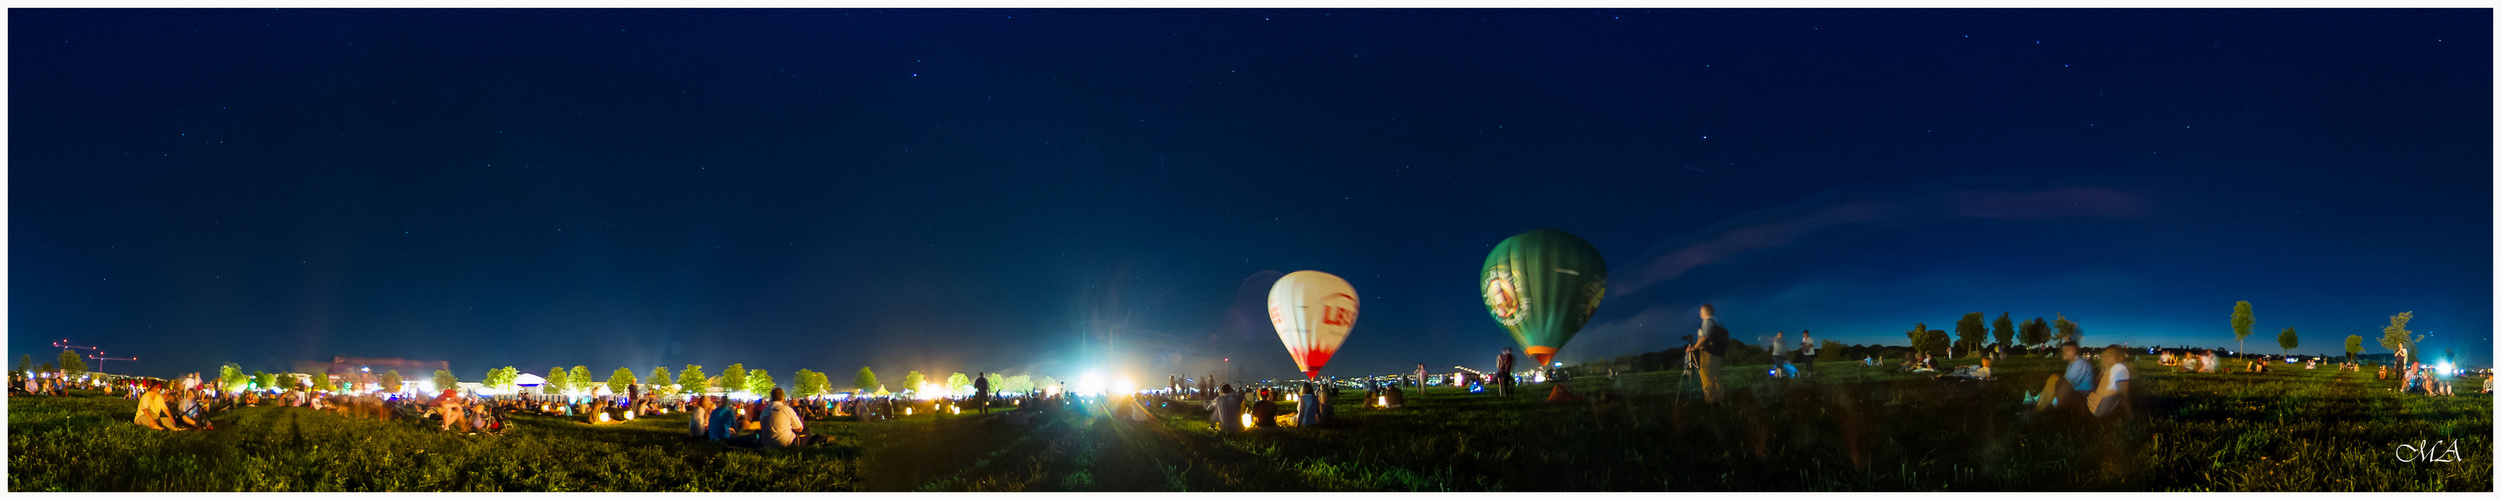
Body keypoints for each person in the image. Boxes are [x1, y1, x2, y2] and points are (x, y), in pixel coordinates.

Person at [2035, 343, 2094, 414]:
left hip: (2084, 401)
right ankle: (2040, 403)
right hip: (2078, 396)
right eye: (2063, 350)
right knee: (2055, 382)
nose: (2063, 353)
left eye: (2067, 350)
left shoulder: (2079, 364)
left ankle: (2035, 412)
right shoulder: (2072, 364)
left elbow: (2066, 385)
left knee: (2054, 378)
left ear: (2074, 351)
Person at [1688, 304, 1728, 403]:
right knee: (1716, 376)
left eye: (1701, 311)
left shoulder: (1706, 322)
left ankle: (1710, 400)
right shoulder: (1717, 323)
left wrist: (1693, 347)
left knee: (1707, 376)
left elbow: (1704, 338)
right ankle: (1719, 398)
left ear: (1706, 312)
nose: (1699, 313)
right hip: (1717, 353)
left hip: (1708, 354)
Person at [2087, 345, 2133, 418]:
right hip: (2094, 404)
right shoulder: (2109, 369)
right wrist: (2102, 372)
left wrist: (2129, 415)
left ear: (2120, 358)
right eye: (2105, 355)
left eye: (2110, 355)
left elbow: (2123, 396)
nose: (2105, 358)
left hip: (2097, 409)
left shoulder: (2119, 368)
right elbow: (2095, 385)